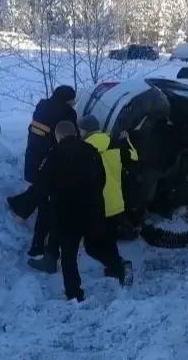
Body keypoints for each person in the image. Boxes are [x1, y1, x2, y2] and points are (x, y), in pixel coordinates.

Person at [29, 120, 128, 302]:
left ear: (58, 136)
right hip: (92, 211)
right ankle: (118, 267)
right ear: (75, 133)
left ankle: (74, 293)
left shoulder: (54, 155)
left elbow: (42, 185)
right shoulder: (91, 151)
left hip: (66, 215)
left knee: (68, 256)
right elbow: (102, 179)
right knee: (94, 246)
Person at [6, 85, 77, 258]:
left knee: (40, 189)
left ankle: (19, 206)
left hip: (34, 157)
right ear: (67, 100)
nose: (74, 103)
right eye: (72, 100)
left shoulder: (42, 106)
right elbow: (71, 138)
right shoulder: (67, 113)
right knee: (47, 203)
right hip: (50, 162)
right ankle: (38, 246)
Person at [79, 115, 135, 286]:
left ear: (85, 130)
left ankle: (119, 266)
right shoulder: (115, 142)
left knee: (91, 246)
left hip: (97, 204)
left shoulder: (84, 148)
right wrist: (127, 140)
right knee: (108, 239)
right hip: (116, 202)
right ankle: (114, 269)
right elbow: (134, 157)